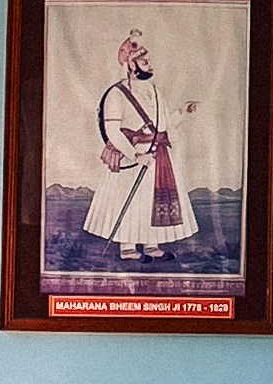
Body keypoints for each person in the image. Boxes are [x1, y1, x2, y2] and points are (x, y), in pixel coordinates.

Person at [82, 30, 194, 255]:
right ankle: (127, 246)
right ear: (132, 66)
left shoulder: (154, 91)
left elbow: (164, 124)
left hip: (158, 155)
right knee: (130, 199)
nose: (149, 65)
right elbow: (112, 129)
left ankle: (152, 244)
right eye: (144, 61)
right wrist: (135, 156)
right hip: (130, 156)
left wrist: (183, 111)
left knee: (152, 201)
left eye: (149, 61)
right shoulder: (116, 93)